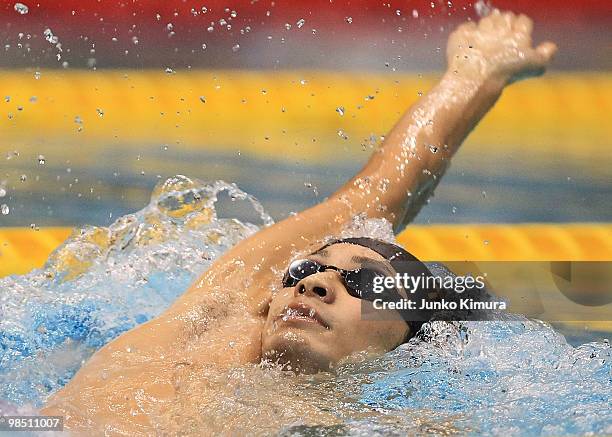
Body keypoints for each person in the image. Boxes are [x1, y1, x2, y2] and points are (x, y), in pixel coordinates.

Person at [41, 9, 556, 432]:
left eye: (365, 282)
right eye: (303, 270)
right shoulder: (213, 327)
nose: (315, 283)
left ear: (405, 340)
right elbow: (376, 194)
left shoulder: (399, 423)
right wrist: (473, 77)